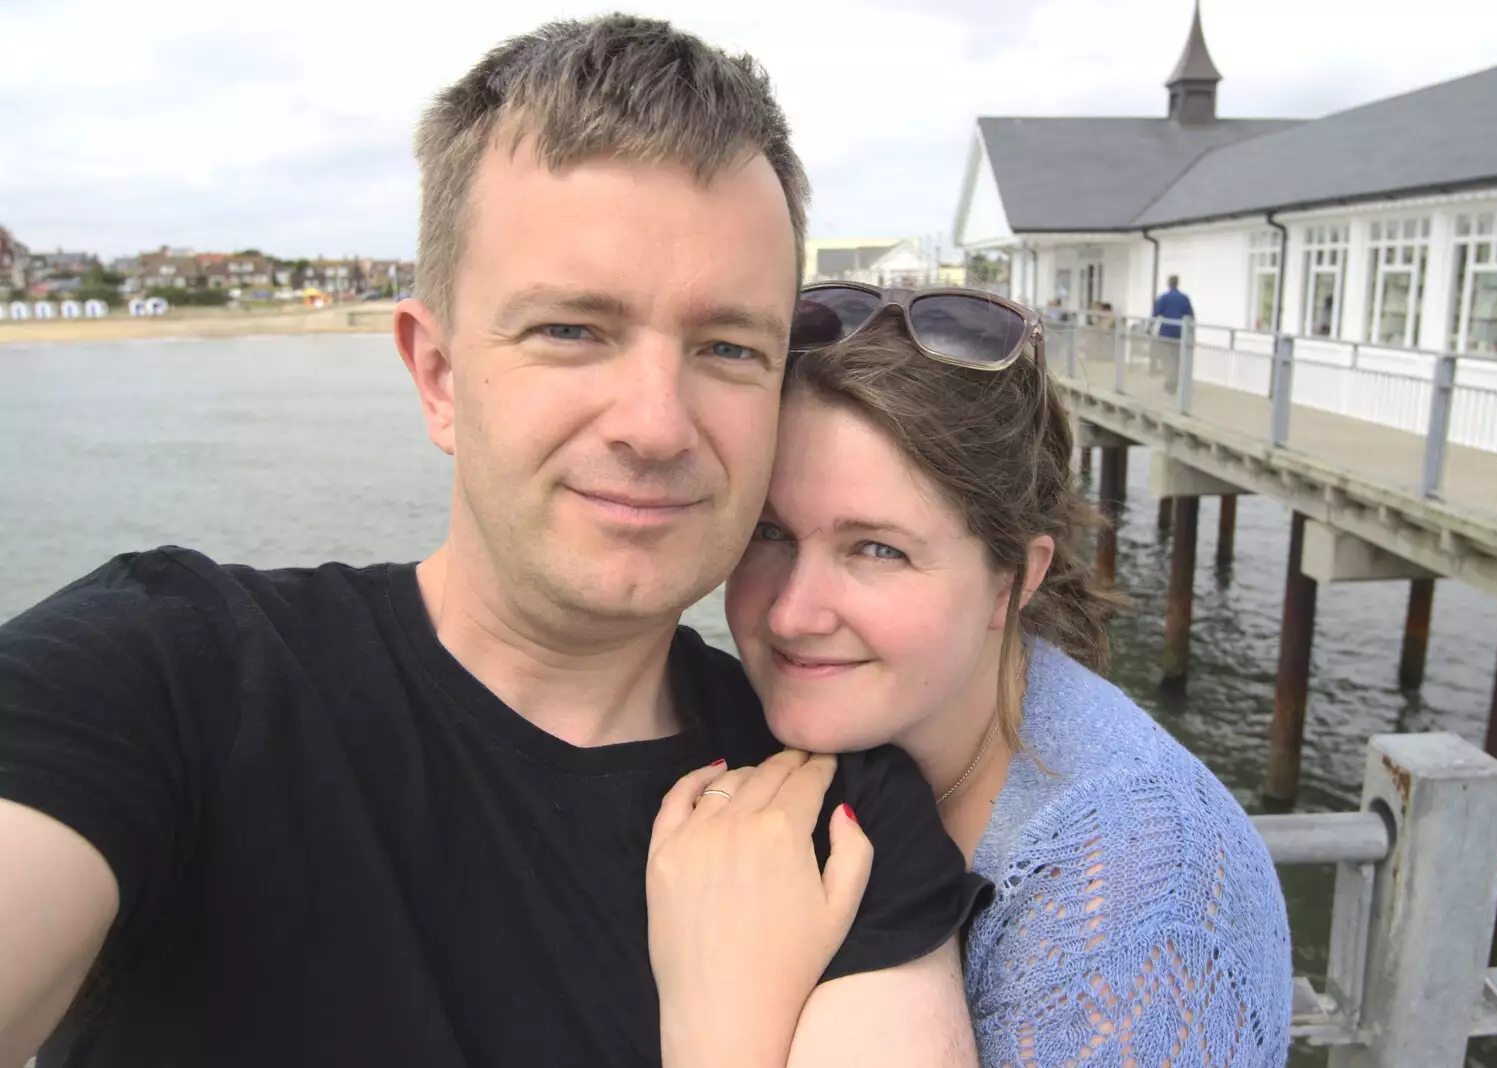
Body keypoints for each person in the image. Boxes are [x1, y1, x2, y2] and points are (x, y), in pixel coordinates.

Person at [0, 18, 987, 1068]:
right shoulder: (167, 678)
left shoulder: (833, 816)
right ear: (438, 376)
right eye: (571, 330)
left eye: (728, 347)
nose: (654, 423)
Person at [692, 282, 1294, 1066]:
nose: (790, 615)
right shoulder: (844, 737)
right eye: (769, 531)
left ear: (1015, 578)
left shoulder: (1135, 894)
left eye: (878, 549)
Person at [1152, 274, 1194, 392]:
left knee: (1167, 358)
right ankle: (1177, 381)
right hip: (1181, 334)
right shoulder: (1184, 298)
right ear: (1177, 283)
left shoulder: (1163, 298)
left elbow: (1155, 314)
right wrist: (1191, 334)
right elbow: (1190, 316)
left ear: (1169, 283)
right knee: (1178, 358)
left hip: (1166, 332)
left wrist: (1149, 327)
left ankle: (1172, 381)